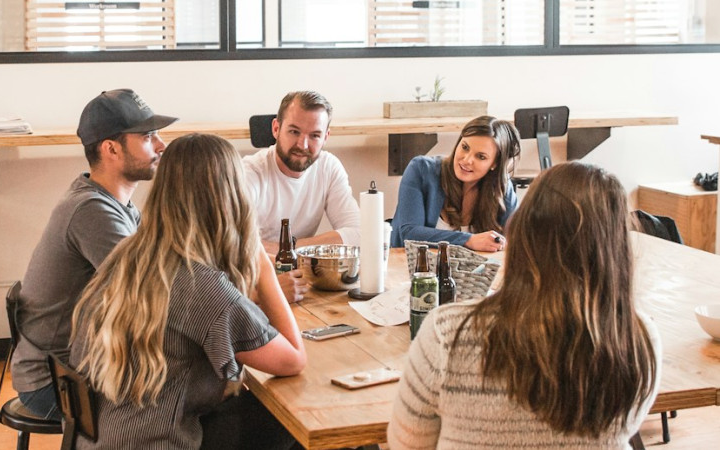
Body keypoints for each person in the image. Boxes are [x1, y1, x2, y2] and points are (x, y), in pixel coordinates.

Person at [388, 162, 661, 449]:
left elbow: (408, 443)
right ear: (618, 247)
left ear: (521, 231)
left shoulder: (447, 332)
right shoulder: (639, 336)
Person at [69, 133, 307, 449]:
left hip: (105, 437)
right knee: (294, 417)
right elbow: (293, 359)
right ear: (231, 198)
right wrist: (263, 267)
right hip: (158, 442)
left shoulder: (128, 257)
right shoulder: (201, 286)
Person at [10, 89, 177, 420]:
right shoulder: (92, 211)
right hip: (58, 384)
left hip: (76, 369)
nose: (160, 145)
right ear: (111, 148)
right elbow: (155, 292)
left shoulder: (116, 205)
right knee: (191, 401)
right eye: (147, 136)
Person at [243, 90, 360, 302]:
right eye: (294, 132)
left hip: (303, 285)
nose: (303, 145)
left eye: (314, 135)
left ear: (326, 137)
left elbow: (358, 234)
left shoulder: (329, 167)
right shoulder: (249, 173)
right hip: (256, 286)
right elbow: (236, 247)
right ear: (276, 129)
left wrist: (290, 250)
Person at [389, 115, 520, 251]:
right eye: (465, 147)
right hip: (410, 269)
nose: (467, 160)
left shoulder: (501, 186)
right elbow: (409, 233)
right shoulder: (421, 169)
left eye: (481, 156)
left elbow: (518, 238)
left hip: (475, 271)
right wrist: (468, 240)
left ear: (495, 163)